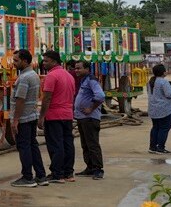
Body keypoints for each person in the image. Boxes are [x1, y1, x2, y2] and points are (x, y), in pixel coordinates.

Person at [9, 49, 48, 188]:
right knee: (33, 146)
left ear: (25, 61)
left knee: (24, 147)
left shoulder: (25, 78)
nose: (14, 63)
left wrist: (15, 120)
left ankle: (27, 177)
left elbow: (20, 100)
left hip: (24, 118)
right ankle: (41, 176)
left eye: (16, 60)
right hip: (31, 116)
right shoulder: (33, 75)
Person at [38, 50, 76, 183]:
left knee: (56, 144)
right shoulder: (69, 75)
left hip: (54, 115)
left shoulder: (51, 76)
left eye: (46, 60)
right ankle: (68, 173)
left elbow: (47, 98)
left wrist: (41, 116)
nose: (44, 63)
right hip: (67, 114)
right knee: (68, 143)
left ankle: (57, 174)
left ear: (54, 61)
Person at [71, 60, 105, 180]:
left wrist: (91, 108)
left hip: (90, 118)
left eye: (79, 68)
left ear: (87, 69)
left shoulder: (91, 80)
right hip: (82, 118)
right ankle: (90, 167)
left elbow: (100, 96)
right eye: (75, 68)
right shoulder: (84, 80)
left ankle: (98, 169)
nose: (77, 71)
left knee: (92, 144)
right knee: (85, 144)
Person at [147, 64, 171, 154]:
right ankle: (160, 147)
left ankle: (153, 147)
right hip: (165, 109)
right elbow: (170, 95)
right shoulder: (163, 82)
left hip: (153, 108)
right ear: (163, 72)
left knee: (155, 127)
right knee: (164, 128)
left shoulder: (150, 82)